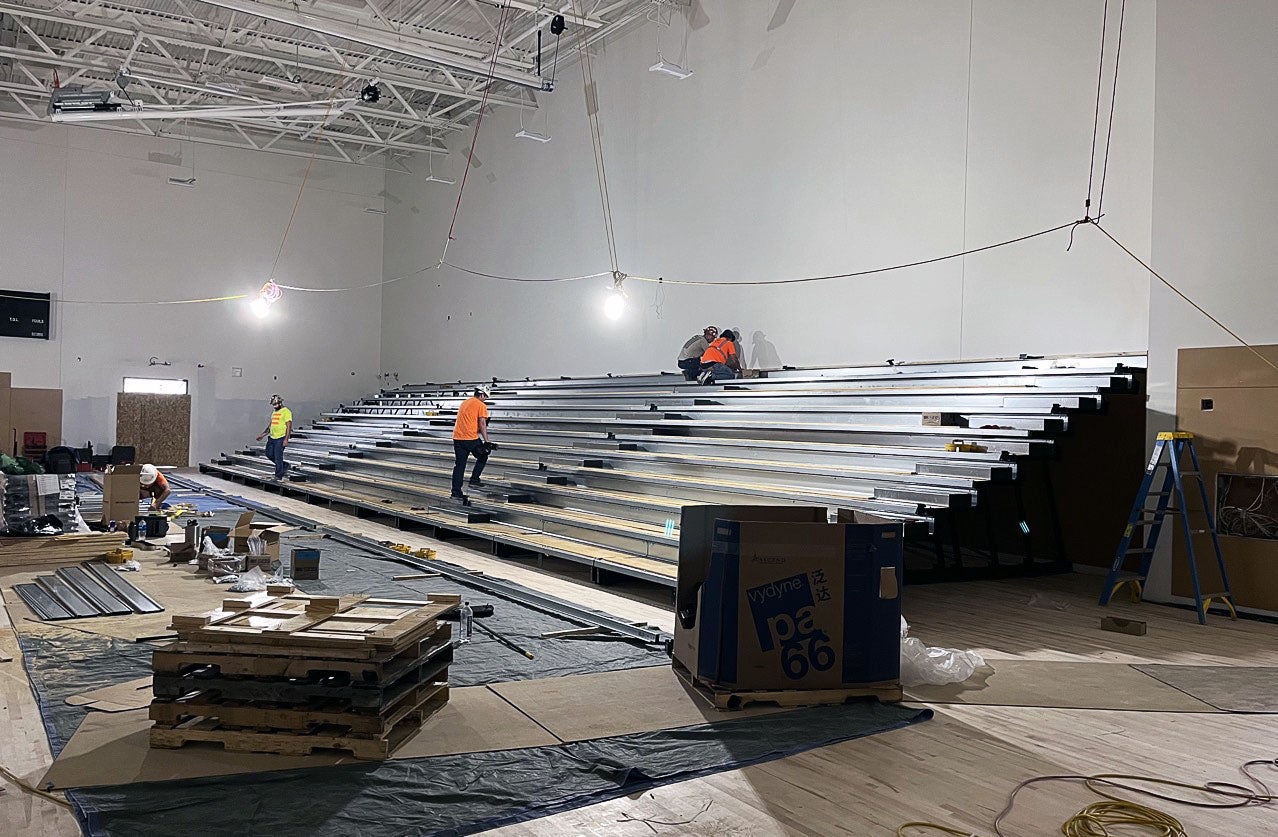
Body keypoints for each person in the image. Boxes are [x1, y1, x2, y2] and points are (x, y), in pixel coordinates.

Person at [451, 385, 492, 499]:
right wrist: (487, 441)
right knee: (484, 455)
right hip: (470, 438)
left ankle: (456, 492)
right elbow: (482, 424)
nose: (485, 399)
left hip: (458, 438)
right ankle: (474, 479)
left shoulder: (464, 403)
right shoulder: (481, 405)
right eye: (485, 397)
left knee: (459, 466)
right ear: (482, 394)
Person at [255, 393, 292, 480]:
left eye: (275, 404)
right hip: (272, 437)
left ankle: (278, 475)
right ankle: (284, 465)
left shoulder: (286, 412)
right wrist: (263, 434)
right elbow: (271, 425)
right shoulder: (274, 412)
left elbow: (289, 426)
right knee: (269, 454)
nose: (274, 406)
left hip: (280, 438)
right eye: (273, 405)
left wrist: (286, 439)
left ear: (280, 403)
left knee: (278, 457)